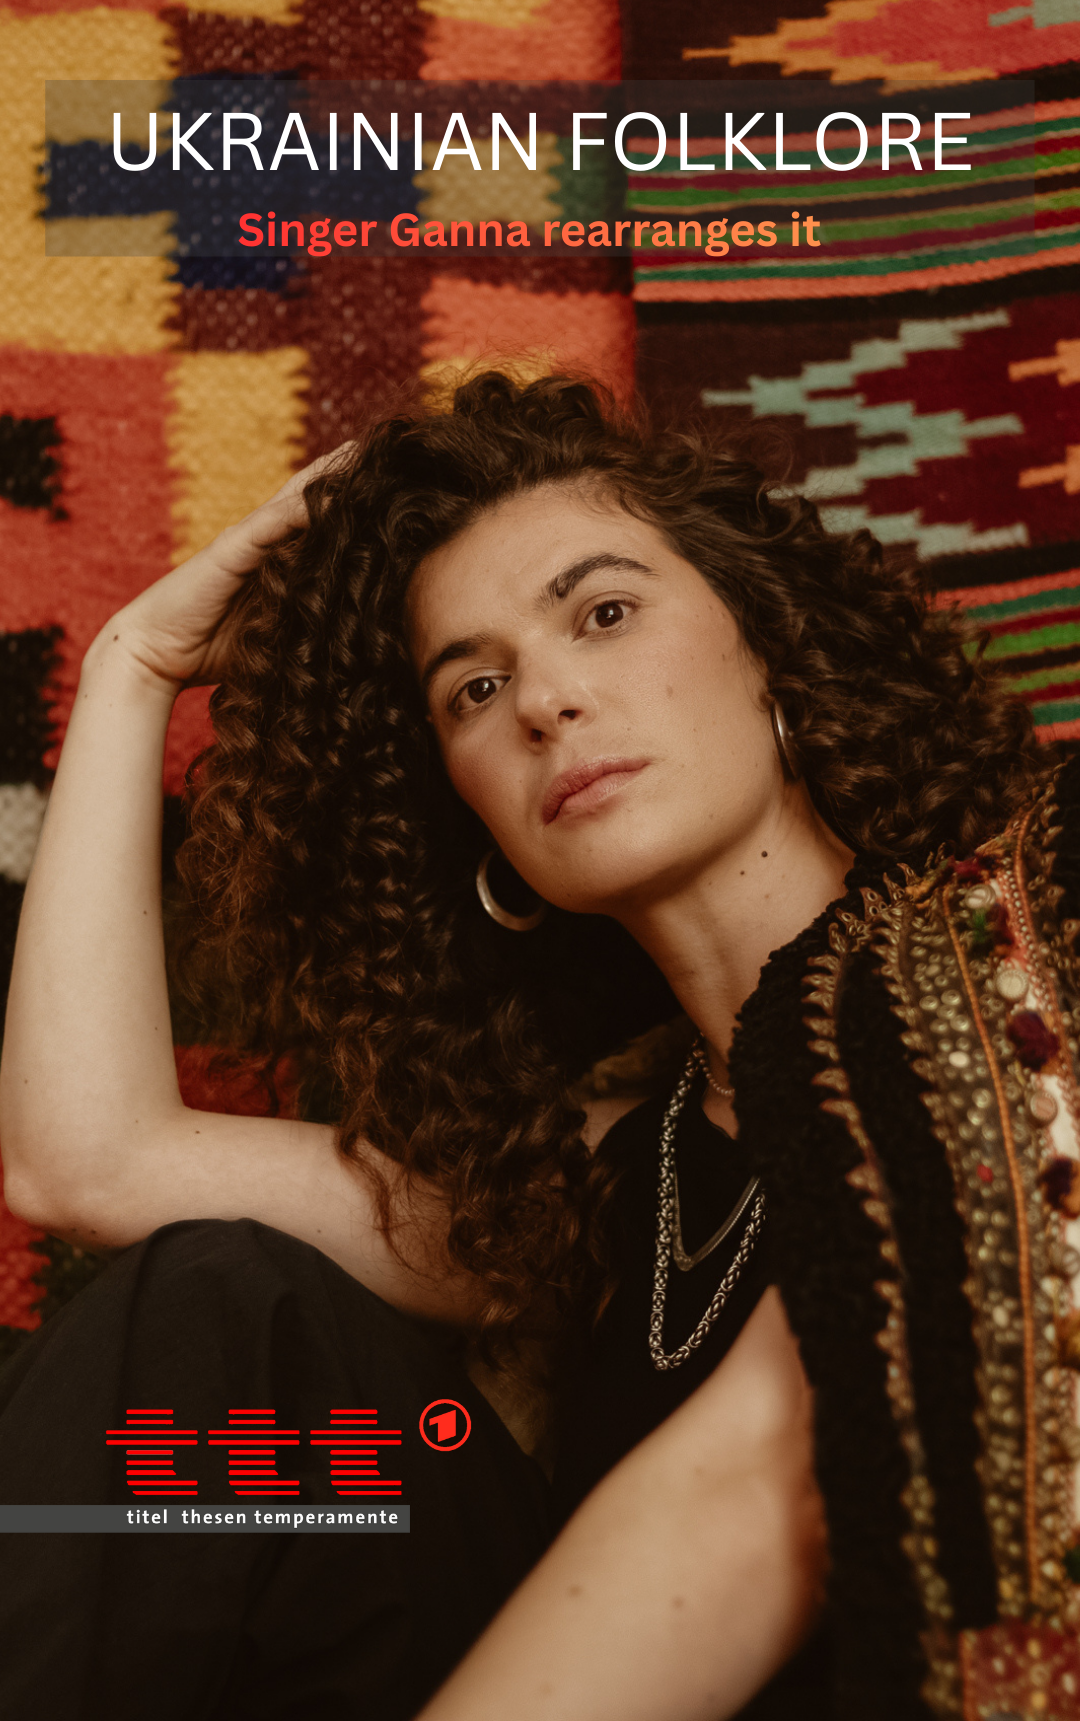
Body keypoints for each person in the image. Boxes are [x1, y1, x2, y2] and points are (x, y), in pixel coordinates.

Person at [0, 372, 1075, 1720]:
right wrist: (133, 667)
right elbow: (87, 1159)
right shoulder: (597, 1183)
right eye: (474, 688)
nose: (544, 701)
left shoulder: (1040, 950)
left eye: (604, 613)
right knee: (226, 1308)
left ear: (770, 642)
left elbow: (771, 1475)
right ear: (483, 830)